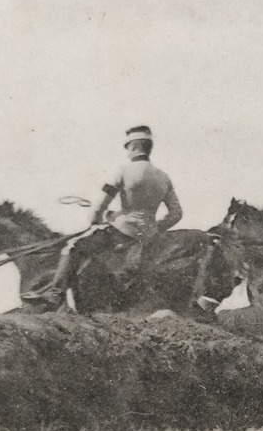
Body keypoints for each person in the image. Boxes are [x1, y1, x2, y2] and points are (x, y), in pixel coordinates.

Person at [26, 125, 183, 307]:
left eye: (127, 148)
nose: (127, 152)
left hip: (121, 232)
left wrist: (96, 221)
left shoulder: (123, 171)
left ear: (133, 147)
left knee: (71, 247)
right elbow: (176, 214)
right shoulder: (164, 177)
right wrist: (153, 228)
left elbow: (100, 206)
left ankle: (55, 294)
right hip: (148, 236)